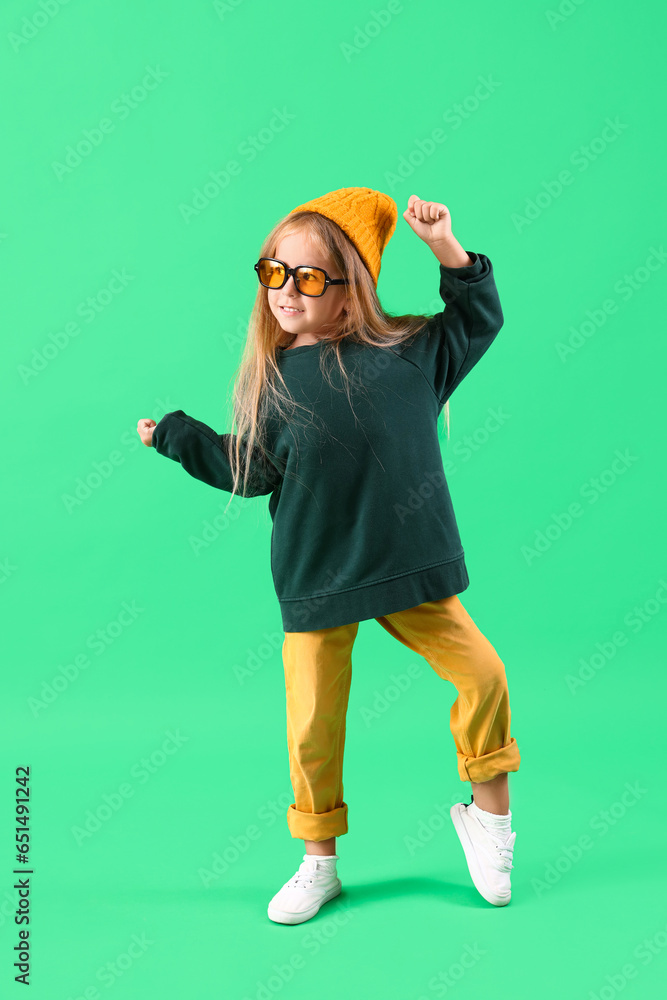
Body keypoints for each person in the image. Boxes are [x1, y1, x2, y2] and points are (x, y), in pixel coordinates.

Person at [137, 186, 521, 924]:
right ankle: (319, 863)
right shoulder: (276, 381)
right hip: (318, 575)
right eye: (273, 272)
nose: (285, 290)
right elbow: (248, 469)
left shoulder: (413, 353)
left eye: (308, 277)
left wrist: (445, 248)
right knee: (313, 725)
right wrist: (177, 436)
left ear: (351, 287)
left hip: (409, 566)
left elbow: (478, 316)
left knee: (484, 675)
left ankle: (490, 822)